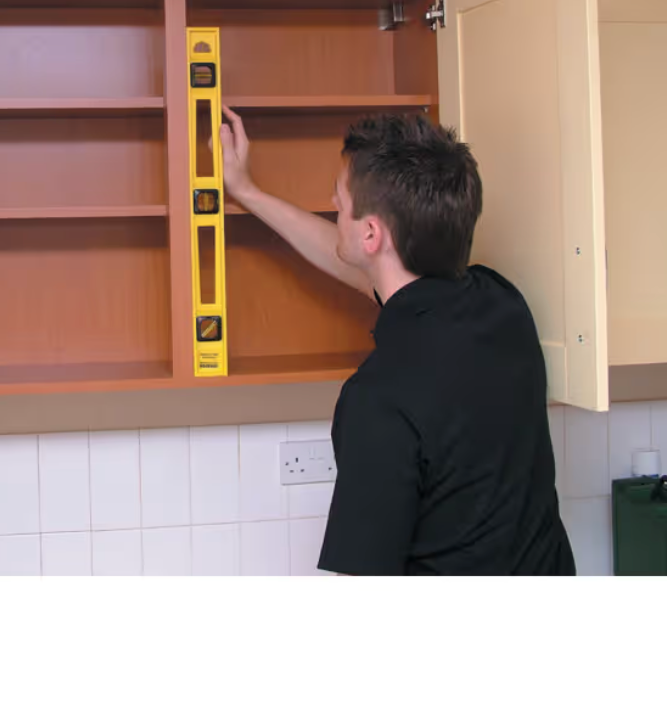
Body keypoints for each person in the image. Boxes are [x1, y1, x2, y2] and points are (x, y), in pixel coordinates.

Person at [219, 106, 575, 576]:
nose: (332, 202)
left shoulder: (378, 401)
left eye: (339, 200)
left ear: (371, 233)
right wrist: (246, 192)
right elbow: (360, 261)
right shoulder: (504, 306)